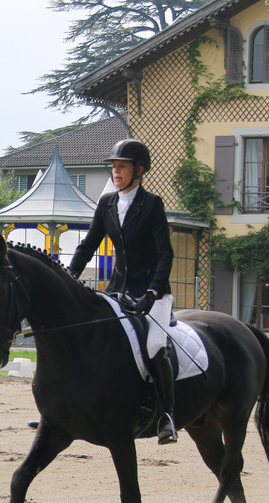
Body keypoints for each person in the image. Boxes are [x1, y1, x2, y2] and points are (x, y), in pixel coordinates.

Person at [68, 138, 177, 444]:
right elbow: (88, 245)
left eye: (122, 167)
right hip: (118, 290)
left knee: (154, 344)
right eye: (114, 167)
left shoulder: (152, 204)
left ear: (139, 170)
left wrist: (153, 292)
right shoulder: (107, 203)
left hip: (152, 293)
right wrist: (69, 276)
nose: (116, 172)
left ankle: (167, 415)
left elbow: (165, 254)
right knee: (88, 336)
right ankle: (67, 409)